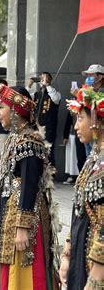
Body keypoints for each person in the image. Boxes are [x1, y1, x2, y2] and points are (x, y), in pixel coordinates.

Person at [0, 84, 60, 290]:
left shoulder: (29, 142)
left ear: (16, 110)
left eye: (1, 108)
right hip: (10, 212)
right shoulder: (15, 138)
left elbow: (29, 186)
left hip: (25, 218)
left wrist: (22, 228)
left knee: (24, 271)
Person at [59, 86, 104, 289]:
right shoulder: (92, 158)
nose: (76, 126)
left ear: (95, 119)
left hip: (97, 265)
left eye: (80, 119)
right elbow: (78, 210)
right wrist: (67, 254)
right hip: (82, 253)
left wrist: (96, 275)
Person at [28, 72, 61, 166]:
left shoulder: (55, 94)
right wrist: (29, 86)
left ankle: (50, 176)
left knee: (48, 152)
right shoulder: (36, 94)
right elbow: (24, 98)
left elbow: (56, 99)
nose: (42, 80)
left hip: (49, 129)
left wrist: (47, 85)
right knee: (36, 151)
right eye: (41, 78)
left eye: (44, 78)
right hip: (36, 129)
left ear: (49, 80)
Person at [62, 110, 86, 185]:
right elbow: (69, 119)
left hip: (87, 134)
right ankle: (80, 179)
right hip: (76, 135)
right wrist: (65, 135)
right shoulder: (74, 105)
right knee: (80, 157)